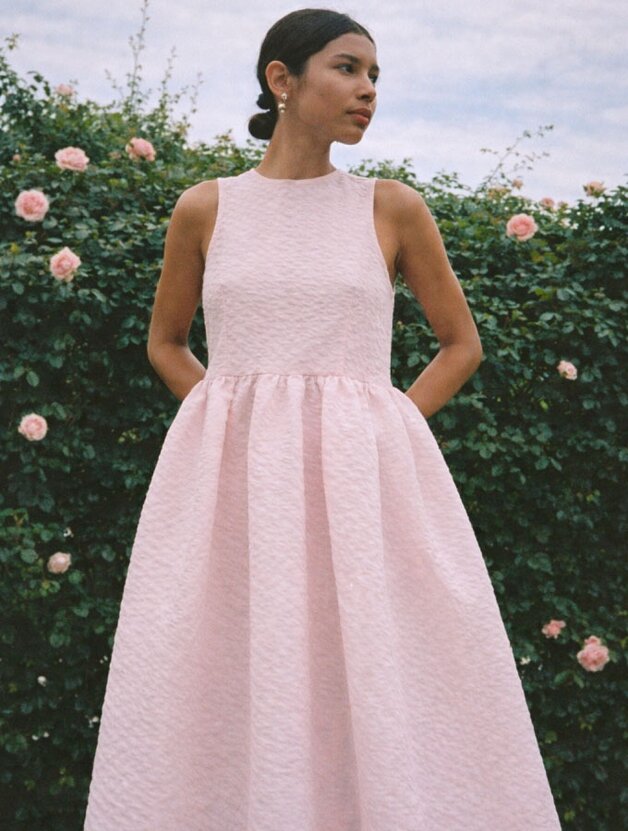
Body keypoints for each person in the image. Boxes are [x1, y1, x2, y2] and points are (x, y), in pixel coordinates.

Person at [83, 8, 562, 830]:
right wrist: (226, 423)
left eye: (375, 76)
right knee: (227, 662)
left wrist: (378, 427)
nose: (367, 91)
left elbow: (461, 345)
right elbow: (166, 344)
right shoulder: (206, 208)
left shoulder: (392, 207)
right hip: (235, 492)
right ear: (282, 79)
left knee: (380, 666)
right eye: (347, 69)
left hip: (363, 486)